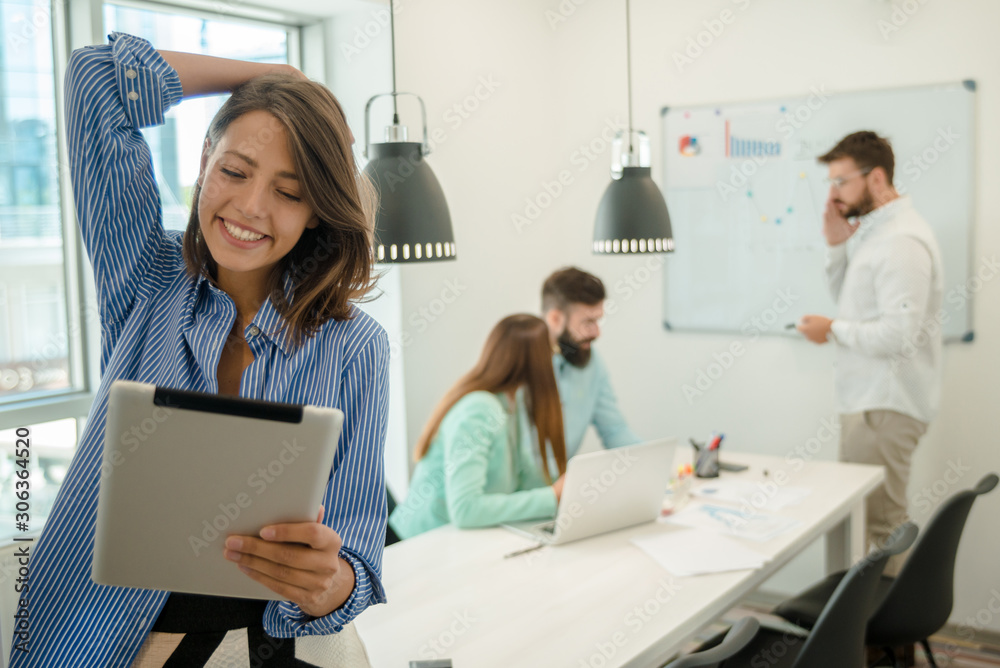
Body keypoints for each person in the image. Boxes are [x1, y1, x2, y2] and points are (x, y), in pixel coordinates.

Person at [14, 33, 388, 667]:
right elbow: (94, 78)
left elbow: (356, 564)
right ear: (204, 161)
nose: (249, 207)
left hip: (266, 648)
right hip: (103, 642)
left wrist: (331, 581)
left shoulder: (353, 346)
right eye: (235, 172)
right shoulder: (147, 276)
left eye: (289, 192)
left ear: (317, 213)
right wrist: (272, 75)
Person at [798, 131, 943, 574]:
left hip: (884, 406)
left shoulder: (901, 241)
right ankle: (869, 640)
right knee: (867, 525)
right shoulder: (877, 235)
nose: (833, 194)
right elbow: (850, 301)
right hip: (870, 403)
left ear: (875, 178)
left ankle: (883, 642)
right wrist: (837, 245)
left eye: (841, 182)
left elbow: (898, 335)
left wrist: (833, 330)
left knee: (879, 527)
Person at [389, 314, 567, 539]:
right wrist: (551, 496)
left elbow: (524, 475)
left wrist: (568, 486)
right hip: (417, 545)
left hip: (454, 542)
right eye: (550, 352)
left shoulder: (510, 401)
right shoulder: (480, 409)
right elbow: (466, 509)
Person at [541, 268, 641, 459]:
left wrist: (652, 463)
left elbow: (614, 431)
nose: (596, 333)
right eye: (588, 322)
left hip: (564, 485)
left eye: (598, 321)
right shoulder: (519, 363)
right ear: (555, 319)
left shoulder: (591, 363)